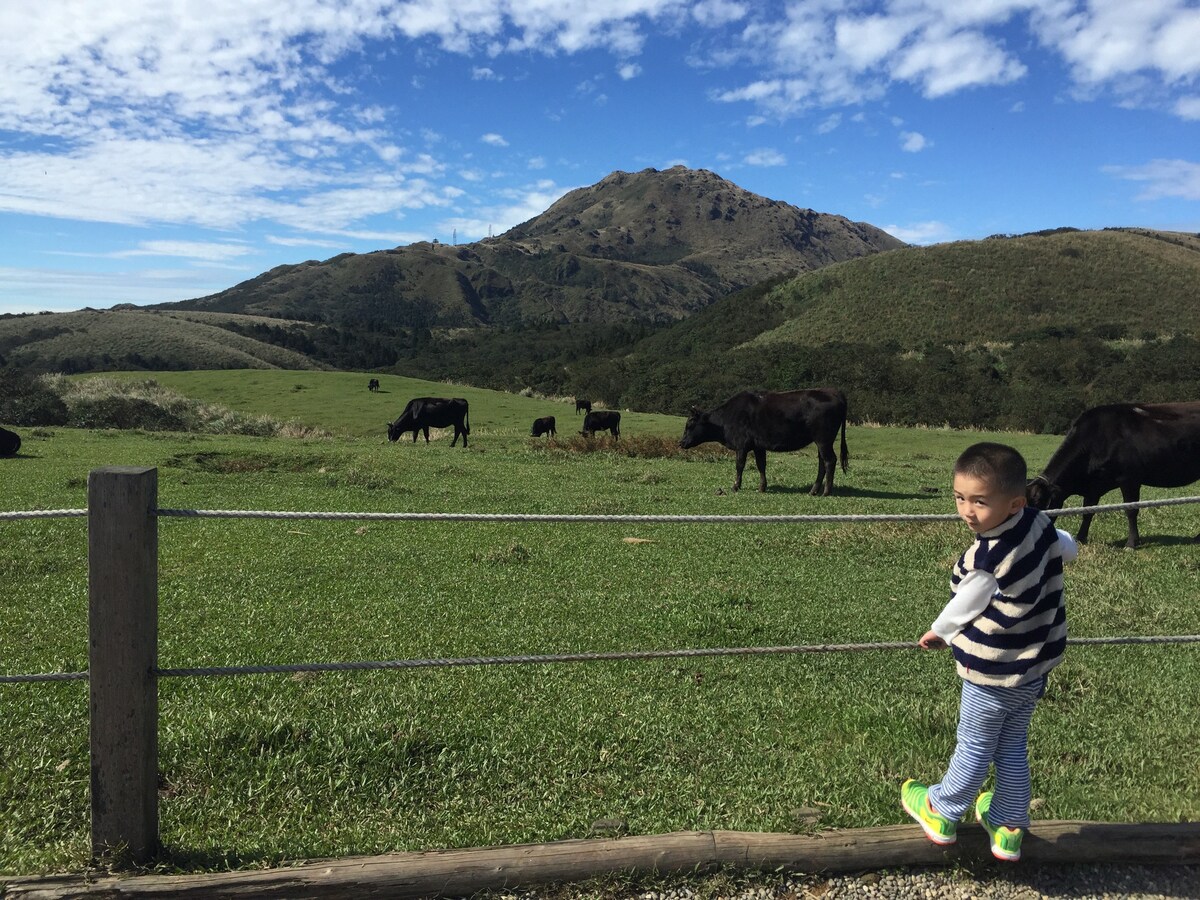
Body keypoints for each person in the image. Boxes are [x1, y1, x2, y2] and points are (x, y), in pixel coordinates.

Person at [901, 442, 1078, 862]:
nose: (967, 511)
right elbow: (1067, 546)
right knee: (1013, 744)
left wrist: (940, 631)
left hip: (992, 671)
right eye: (960, 497)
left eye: (980, 501)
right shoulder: (1039, 525)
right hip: (1033, 666)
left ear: (1014, 502)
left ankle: (941, 810)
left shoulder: (986, 555)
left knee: (975, 744)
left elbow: (967, 602)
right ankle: (1008, 823)